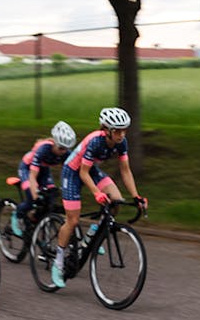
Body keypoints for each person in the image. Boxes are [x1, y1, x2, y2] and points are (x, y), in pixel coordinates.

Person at [50, 107, 146, 289]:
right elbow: (83, 173)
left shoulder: (121, 143)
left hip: (90, 170)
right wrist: (97, 193)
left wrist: (136, 196)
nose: (121, 134)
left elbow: (125, 170)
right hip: (72, 172)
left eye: (124, 130)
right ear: (106, 130)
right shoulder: (95, 141)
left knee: (116, 200)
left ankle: (93, 232)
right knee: (73, 220)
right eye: (117, 130)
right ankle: (58, 262)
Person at [9, 121, 77, 238]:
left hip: (44, 170)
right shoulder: (43, 149)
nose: (63, 152)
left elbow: (70, 173)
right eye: (61, 148)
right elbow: (32, 176)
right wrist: (36, 196)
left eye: (66, 149)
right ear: (54, 142)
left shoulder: (66, 153)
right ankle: (17, 214)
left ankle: (35, 219)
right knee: (32, 197)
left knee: (50, 197)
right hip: (27, 168)